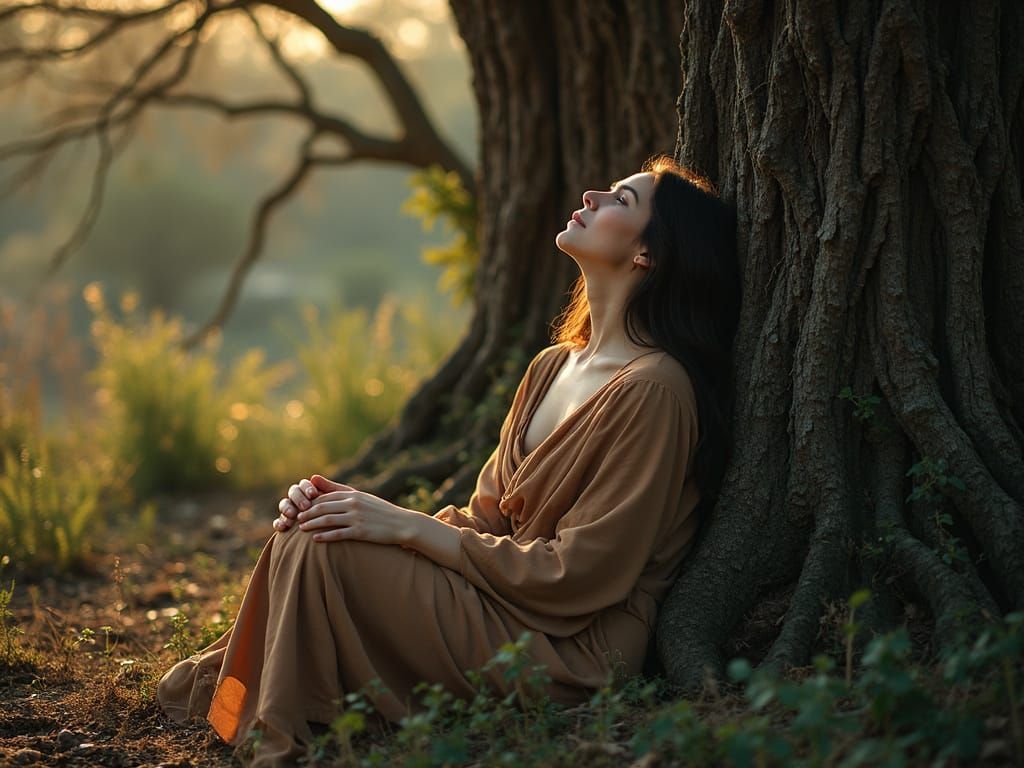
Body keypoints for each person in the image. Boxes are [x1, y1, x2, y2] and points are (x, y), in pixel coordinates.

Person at [156, 153, 741, 766]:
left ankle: (270, 724)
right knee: (315, 524)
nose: (593, 194)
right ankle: (270, 707)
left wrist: (406, 527)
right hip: (500, 599)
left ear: (648, 253)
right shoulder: (551, 368)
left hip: (570, 643)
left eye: (622, 200)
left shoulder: (655, 390)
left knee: (320, 546)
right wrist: (363, 513)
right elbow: (486, 519)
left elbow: (586, 574)